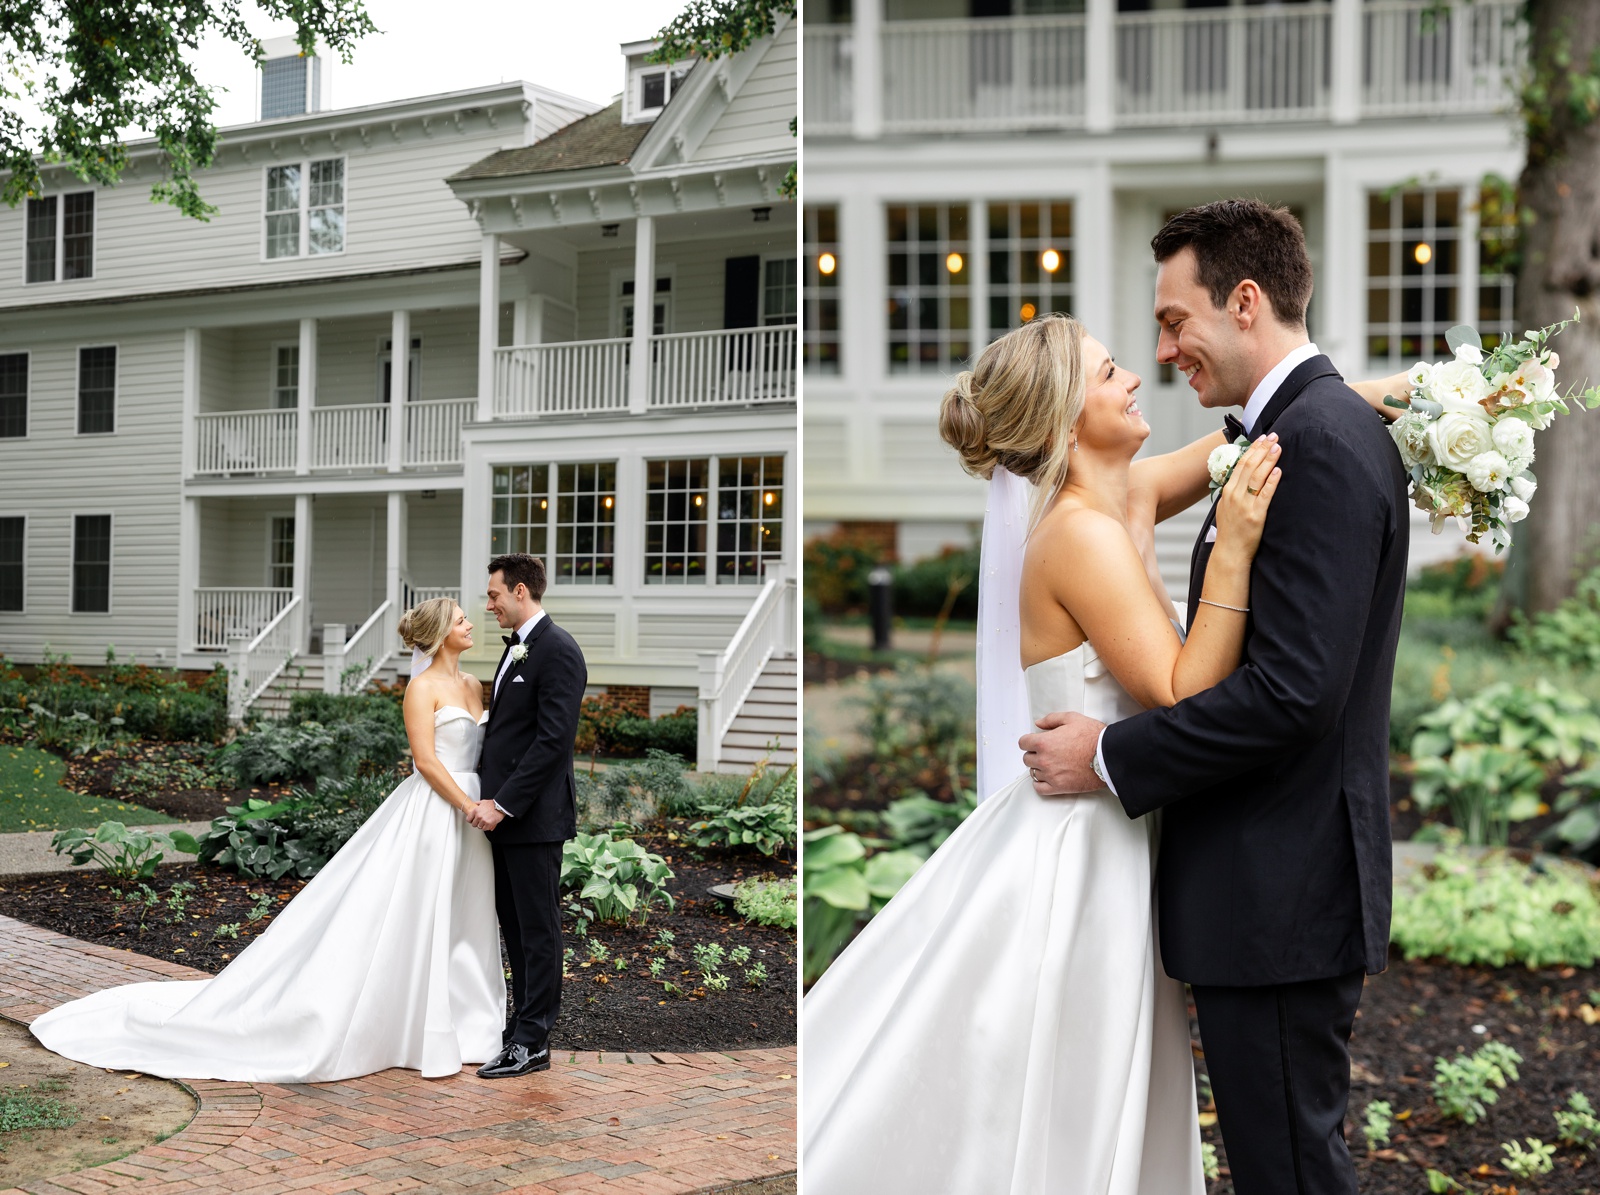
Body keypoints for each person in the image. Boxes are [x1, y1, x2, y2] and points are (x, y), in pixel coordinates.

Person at [1020, 199, 1412, 1195]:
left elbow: (1291, 693)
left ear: (1243, 302)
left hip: (1278, 889)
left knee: (1288, 1171)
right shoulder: (1297, 428)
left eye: (1172, 319)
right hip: (1267, 887)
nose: (1162, 349)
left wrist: (1106, 757)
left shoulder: (1313, 441)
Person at [30, 597, 506, 1082]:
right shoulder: (421, 688)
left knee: (464, 919)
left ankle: (469, 1025)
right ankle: (413, 1028)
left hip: (476, 817)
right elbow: (425, 762)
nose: (471, 624)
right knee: (418, 916)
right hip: (438, 811)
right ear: (441, 631)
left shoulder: (474, 685)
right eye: (462, 619)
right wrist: (467, 806)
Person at [471, 553, 587, 1079]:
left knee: (539, 930)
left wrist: (503, 802)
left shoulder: (558, 650)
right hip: (502, 818)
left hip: (532, 817)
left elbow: (552, 742)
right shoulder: (517, 649)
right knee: (515, 929)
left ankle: (533, 1041)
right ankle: (518, 1027)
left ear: (521, 591)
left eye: (494, 594)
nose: (489, 604)